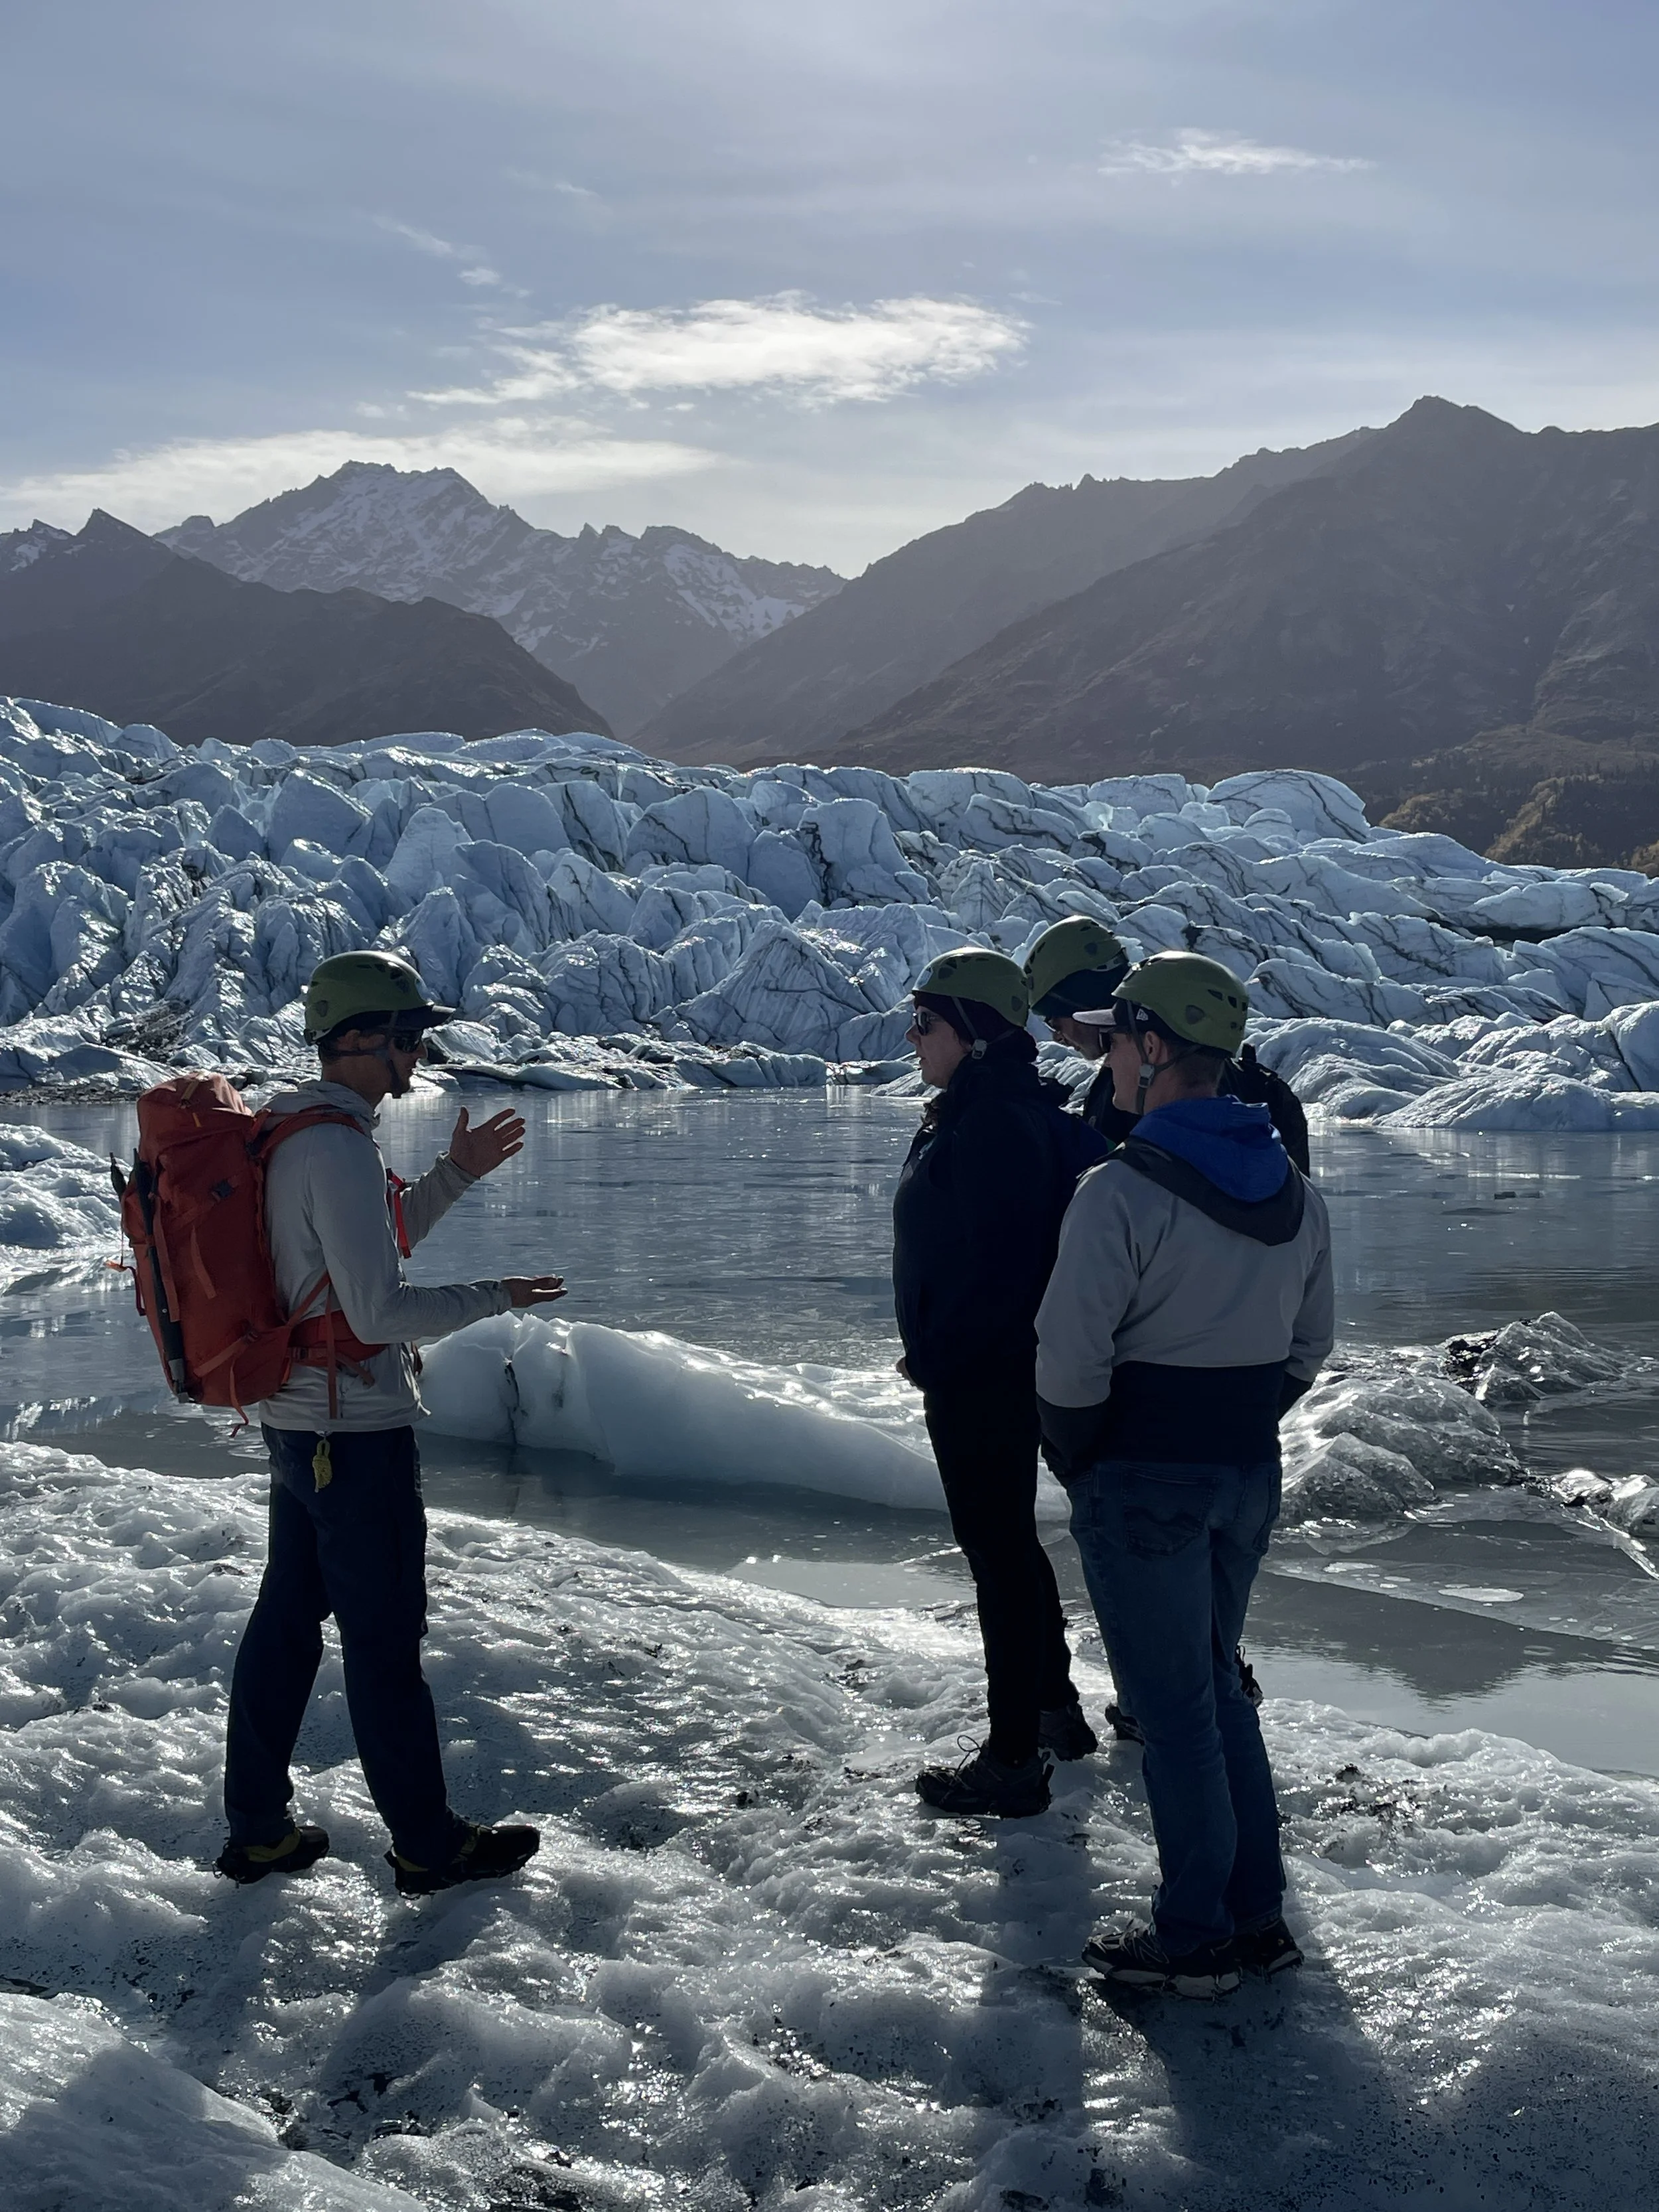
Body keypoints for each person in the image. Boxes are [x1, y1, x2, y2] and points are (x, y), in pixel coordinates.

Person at [216, 950, 567, 1895]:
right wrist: (498, 1294)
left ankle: (256, 1828)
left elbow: (361, 1253)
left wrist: (455, 1172)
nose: (422, 1052)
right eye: (410, 1036)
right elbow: (377, 1312)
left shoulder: (300, 1130)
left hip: (304, 1422)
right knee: (382, 1641)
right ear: (362, 1039)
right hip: (350, 1431)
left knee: (288, 1621)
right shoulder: (332, 1144)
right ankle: (426, 1843)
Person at [1035, 953, 1333, 1997]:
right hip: (1246, 1471)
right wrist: (1238, 1418)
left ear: (1153, 1048)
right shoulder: (1294, 1190)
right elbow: (1309, 1346)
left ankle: (1198, 1934)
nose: (1108, 1055)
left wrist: (1083, 1452)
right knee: (1218, 1692)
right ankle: (1259, 1914)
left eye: (1118, 1038)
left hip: (1143, 1477)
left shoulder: (1118, 1191)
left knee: (1175, 1717)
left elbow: (1069, 1361)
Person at [892, 949, 1107, 1819]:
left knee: (998, 1554)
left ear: (974, 1033)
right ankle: (1052, 1711)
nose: (914, 1040)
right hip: (989, 1368)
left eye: (927, 1024)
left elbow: (1001, 1274)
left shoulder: (994, 1126)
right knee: (1008, 1546)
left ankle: (1014, 1753)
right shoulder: (990, 1111)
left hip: (989, 1376)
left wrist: (944, 1353)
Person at [1023, 917, 1311, 1170]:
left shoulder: (1137, 1090)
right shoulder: (1232, 1083)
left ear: (1080, 1005)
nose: (1057, 1037)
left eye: (1055, 1022)